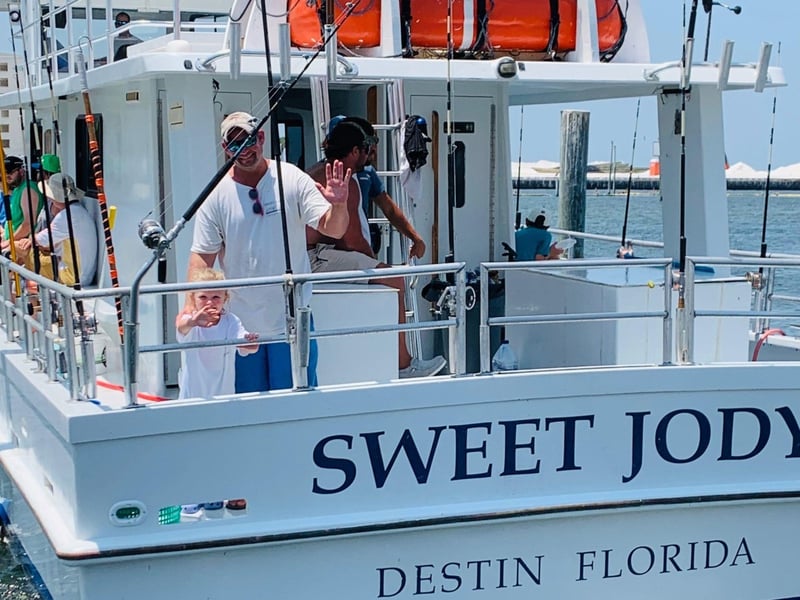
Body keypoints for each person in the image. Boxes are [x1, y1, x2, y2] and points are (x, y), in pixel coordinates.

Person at [189, 111, 351, 393]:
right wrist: (198, 309)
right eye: (234, 144)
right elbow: (202, 259)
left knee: (297, 402)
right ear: (226, 148)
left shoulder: (292, 178)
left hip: (292, 321)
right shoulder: (215, 194)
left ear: (261, 138)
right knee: (250, 408)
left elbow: (334, 229)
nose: (243, 150)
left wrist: (339, 204)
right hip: (239, 328)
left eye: (248, 140)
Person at [307, 120, 446, 378]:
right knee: (395, 278)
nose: (371, 153)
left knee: (385, 274)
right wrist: (378, 268)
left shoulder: (322, 170)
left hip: (309, 255)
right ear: (354, 151)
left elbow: (386, 209)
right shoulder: (342, 179)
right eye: (367, 147)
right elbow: (348, 240)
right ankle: (404, 366)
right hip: (313, 258)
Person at [175, 268, 259, 399]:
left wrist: (251, 343)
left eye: (216, 297)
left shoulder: (231, 321)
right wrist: (194, 321)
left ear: (225, 298)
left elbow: (246, 344)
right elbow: (181, 328)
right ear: (193, 298)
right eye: (203, 297)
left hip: (224, 396)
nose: (209, 302)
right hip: (192, 397)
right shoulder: (190, 320)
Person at [13, 173, 98, 286]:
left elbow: (38, 241)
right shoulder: (80, 211)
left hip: (70, 276)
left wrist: (25, 241)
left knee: (19, 249)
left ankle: (12, 278)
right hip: (85, 275)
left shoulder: (65, 216)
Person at [1, 155, 43, 246]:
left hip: (21, 246)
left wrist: (9, 243)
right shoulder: (17, 189)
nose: (7, 176)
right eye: (3, 173)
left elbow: (29, 224)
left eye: (9, 172)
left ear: (21, 171)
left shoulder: (28, 190)